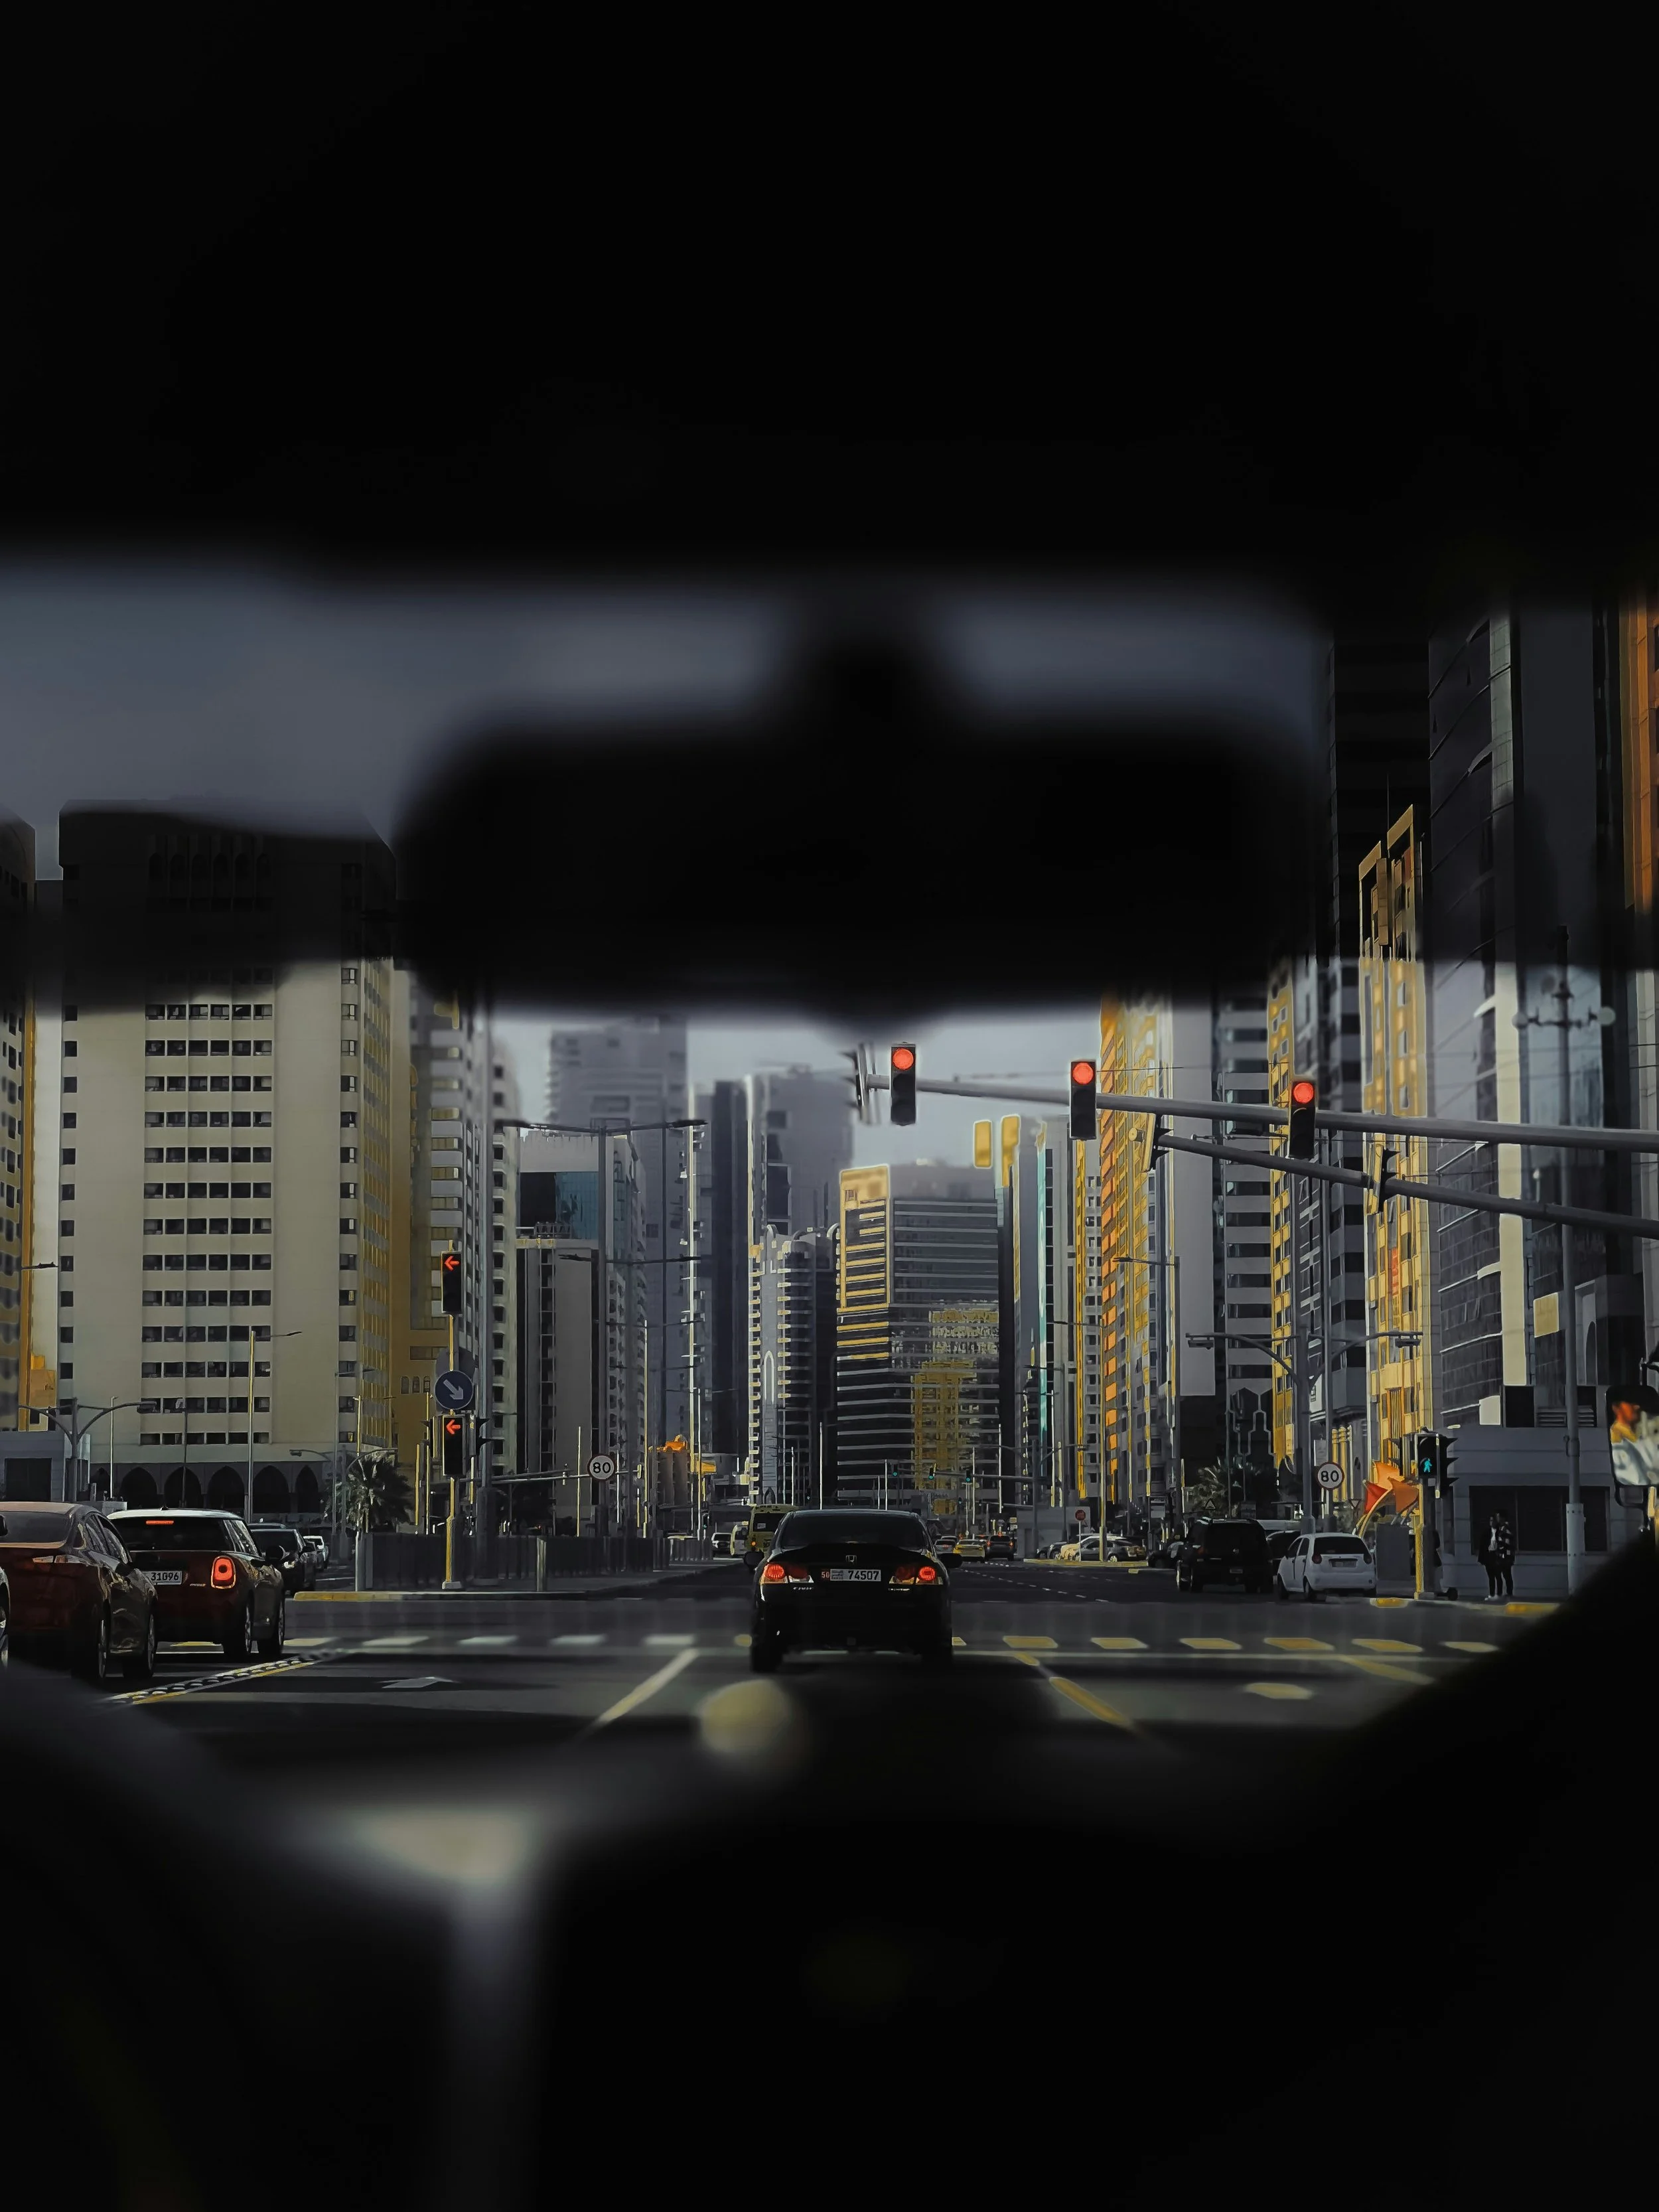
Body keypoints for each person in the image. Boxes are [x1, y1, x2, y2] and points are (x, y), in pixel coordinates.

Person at [1482, 1509, 1515, 1599]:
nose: (1497, 1519)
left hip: (1506, 1556)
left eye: (1498, 1517)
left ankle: (1508, 1594)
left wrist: (1501, 1553)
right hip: (1504, 1556)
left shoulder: (1505, 1528)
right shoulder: (1501, 1528)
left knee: (1506, 1574)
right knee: (1504, 1574)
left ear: (1502, 1518)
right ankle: (1504, 1593)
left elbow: (1506, 1543)